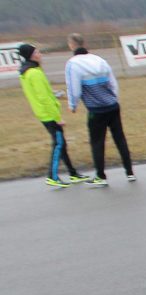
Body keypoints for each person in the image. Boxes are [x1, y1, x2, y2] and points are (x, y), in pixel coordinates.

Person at [64, 33, 135, 188]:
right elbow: (113, 83)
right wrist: (113, 99)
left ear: (71, 45)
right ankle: (129, 172)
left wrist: (73, 104)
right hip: (112, 106)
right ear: (84, 43)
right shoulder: (99, 60)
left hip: (96, 110)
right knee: (120, 139)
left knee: (97, 142)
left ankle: (100, 175)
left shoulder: (73, 64)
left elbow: (74, 88)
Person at [17, 44, 89, 188]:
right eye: (37, 52)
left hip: (43, 113)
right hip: (48, 115)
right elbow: (44, 98)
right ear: (31, 55)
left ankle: (72, 173)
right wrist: (57, 118)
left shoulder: (26, 72)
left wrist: (57, 95)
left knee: (61, 143)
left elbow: (44, 93)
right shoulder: (34, 73)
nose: (40, 54)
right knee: (58, 144)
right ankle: (52, 176)